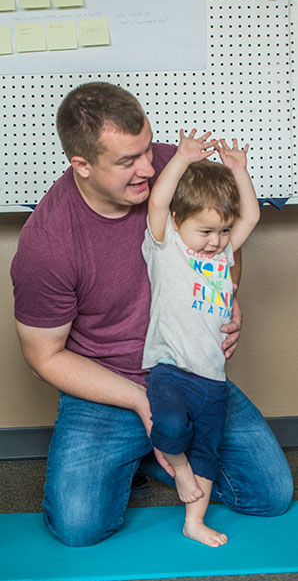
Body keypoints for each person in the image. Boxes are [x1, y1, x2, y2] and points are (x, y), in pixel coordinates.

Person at [10, 82, 293, 548]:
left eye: (146, 148)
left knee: (270, 495)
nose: (148, 167)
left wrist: (227, 292)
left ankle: (159, 447)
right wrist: (141, 402)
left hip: (190, 371)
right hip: (110, 382)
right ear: (81, 164)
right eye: (127, 161)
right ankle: (153, 445)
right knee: (80, 527)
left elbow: (224, 233)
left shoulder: (172, 167)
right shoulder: (48, 243)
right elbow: (45, 356)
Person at [142, 129, 260, 547]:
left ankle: (194, 521)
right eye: (206, 231)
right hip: (171, 370)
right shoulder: (165, 246)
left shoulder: (224, 252)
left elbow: (250, 218)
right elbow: (158, 200)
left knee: (207, 449)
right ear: (178, 222)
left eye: (223, 232)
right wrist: (182, 159)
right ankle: (178, 468)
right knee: (172, 426)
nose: (216, 242)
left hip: (212, 378)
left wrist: (239, 172)